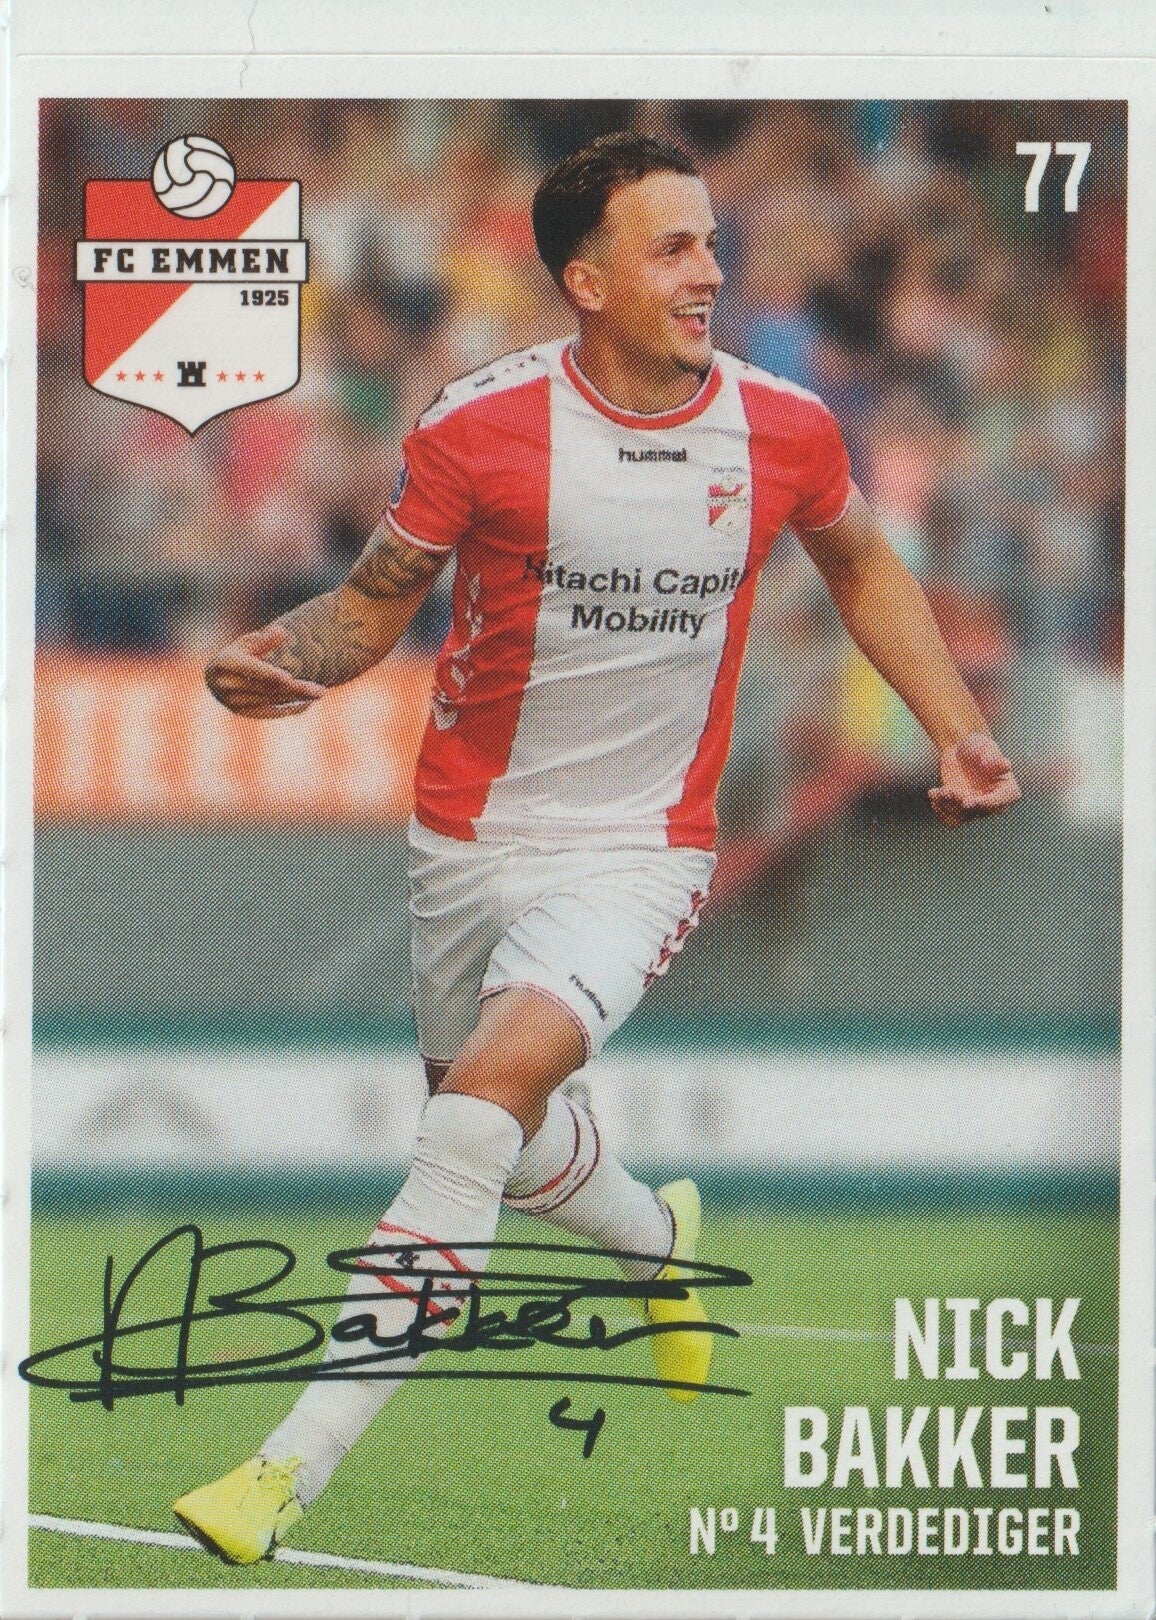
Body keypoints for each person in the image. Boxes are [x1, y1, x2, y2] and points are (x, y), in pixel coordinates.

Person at [173, 131, 1020, 1564]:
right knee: (497, 1142)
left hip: (642, 847)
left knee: (474, 1116)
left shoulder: (785, 429)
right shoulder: (478, 426)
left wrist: (957, 726)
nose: (710, 271)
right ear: (586, 279)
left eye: (711, 242)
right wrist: (275, 657)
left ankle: (279, 1474)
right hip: (466, 833)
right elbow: (374, 603)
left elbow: (864, 561)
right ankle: (656, 1243)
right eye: (672, 247)